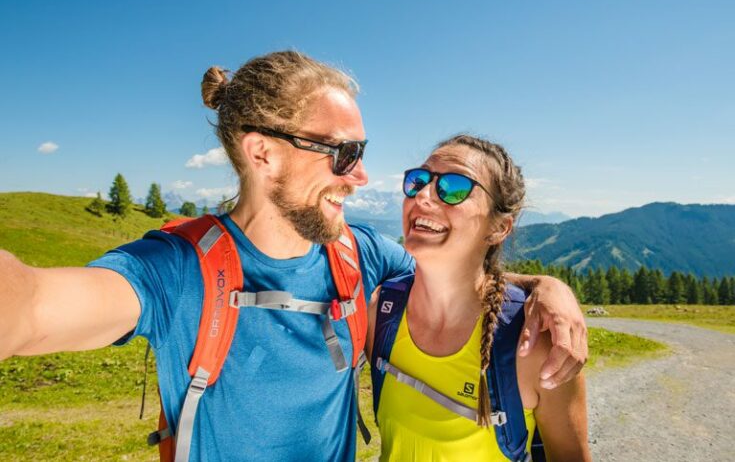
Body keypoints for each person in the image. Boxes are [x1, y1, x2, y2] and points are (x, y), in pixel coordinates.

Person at [0, 51, 587, 461]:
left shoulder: (361, 254)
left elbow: (461, 269)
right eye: (341, 153)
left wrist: (548, 290)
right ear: (262, 154)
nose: (359, 177)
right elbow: (31, 305)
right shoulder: (175, 270)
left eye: (362, 152)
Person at [367, 134, 592, 461]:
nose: (424, 196)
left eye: (454, 187)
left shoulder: (534, 345)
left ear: (499, 228)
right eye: (418, 181)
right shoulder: (380, 313)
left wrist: (554, 287)